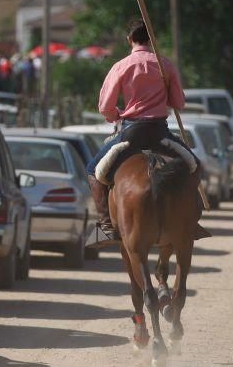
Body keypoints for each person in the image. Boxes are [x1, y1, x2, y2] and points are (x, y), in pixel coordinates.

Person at [85, 19, 201, 241]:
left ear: (130, 40)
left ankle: (105, 227)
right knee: (195, 167)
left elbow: (105, 107)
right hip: (160, 133)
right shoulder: (166, 65)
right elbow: (178, 102)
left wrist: (116, 115)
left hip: (130, 135)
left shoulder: (120, 66)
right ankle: (191, 222)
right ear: (152, 39)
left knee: (93, 171)